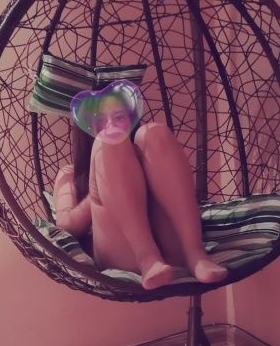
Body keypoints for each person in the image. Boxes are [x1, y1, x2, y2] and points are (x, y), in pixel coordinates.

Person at [54, 89, 228, 290]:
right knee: (108, 141)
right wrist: (98, 190)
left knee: (154, 132)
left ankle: (195, 254)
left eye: (119, 117)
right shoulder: (70, 174)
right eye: (100, 119)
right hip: (121, 254)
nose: (110, 125)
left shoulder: (144, 153)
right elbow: (65, 226)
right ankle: (148, 258)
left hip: (172, 250)